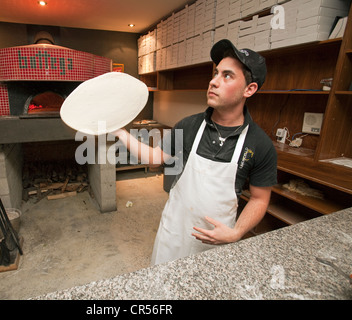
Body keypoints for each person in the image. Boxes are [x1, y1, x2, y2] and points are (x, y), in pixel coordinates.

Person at [112, 39, 277, 265]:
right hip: (175, 232)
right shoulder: (188, 126)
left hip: (216, 240)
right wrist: (121, 132)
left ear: (250, 89)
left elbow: (259, 199)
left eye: (227, 76)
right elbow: (155, 159)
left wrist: (237, 232)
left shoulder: (260, 144)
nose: (213, 81)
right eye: (216, 73)